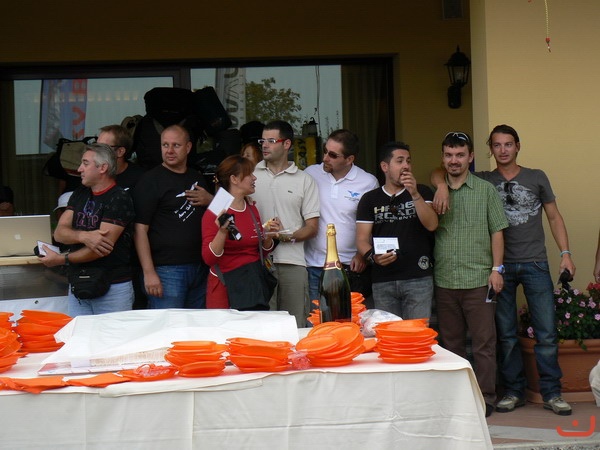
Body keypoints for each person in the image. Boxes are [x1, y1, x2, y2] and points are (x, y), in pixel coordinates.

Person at [432, 124, 576, 416]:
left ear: (517, 146)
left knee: (546, 332)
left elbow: (554, 217)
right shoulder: (483, 179)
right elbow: (440, 171)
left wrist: (565, 253)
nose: (503, 150)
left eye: (508, 144)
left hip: (534, 262)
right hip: (500, 268)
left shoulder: (536, 177)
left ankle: (552, 393)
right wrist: (442, 185)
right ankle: (513, 391)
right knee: (506, 335)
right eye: (497, 145)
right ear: (489, 150)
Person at [432, 131, 508, 418]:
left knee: (484, 344)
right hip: (445, 280)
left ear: (471, 157)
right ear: (443, 158)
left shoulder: (485, 190)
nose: (454, 160)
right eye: (449, 155)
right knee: (451, 345)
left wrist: (496, 269)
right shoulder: (435, 191)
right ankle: (459, 398)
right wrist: (440, 185)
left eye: (460, 155)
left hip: (479, 280)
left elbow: (497, 231)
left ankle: (486, 397)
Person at [38, 143, 136, 316]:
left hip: (112, 287)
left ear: (103, 168)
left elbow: (100, 249)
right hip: (79, 283)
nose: (79, 169)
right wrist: (84, 236)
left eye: (85, 163)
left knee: (113, 334)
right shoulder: (80, 193)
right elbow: (59, 233)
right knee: (79, 333)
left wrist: (62, 259)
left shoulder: (119, 197)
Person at [133, 124, 213, 309]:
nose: (169, 150)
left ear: (188, 147)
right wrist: (149, 272)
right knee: (169, 324)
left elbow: (225, 213)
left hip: (200, 267)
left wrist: (210, 199)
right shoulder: (150, 180)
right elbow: (139, 230)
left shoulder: (197, 177)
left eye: (176, 145)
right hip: (166, 270)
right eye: (165, 145)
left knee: (196, 325)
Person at [355, 141, 437, 319]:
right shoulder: (370, 199)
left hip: (418, 277)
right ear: (385, 166)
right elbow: (361, 239)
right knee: (388, 333)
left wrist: (414, 194)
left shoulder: (422, 191)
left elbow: (432, 225)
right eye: (400, 161)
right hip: (383, 280)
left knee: (416, 332)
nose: (406, 166)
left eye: (408, 161)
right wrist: (373, 257)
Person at [252, 120, 320, 327]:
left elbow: (312, 227)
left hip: (293, 262)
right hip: (257, 262)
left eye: (271, 141)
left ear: (287, 144)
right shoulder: (250, 176)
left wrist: (284, 237)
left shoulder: (304, 180)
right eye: (262, 141)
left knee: (295, 326)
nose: (265, 145)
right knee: (262, 327)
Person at [304, 130, 378, 303]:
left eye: (333, 155)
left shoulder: (368, 181)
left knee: (350, 317)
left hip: (350, 267)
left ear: (349, 159)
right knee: (317, 318)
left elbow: (374, 223)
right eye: (325, 151)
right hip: (315, 265)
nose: (325, 158)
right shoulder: (310, 174)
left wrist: (362, 255)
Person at [201, 155, 280, 309]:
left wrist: (268, 236)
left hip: (253, 287)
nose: (254, 178)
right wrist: (222, 232)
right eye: (249, 174)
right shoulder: (216, 211)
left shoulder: (251, 208)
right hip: (226, 288)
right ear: (234, 179)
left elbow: (260, 252)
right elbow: (209, 258)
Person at [97, 124, 145, 190]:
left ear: (120, 151)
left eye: (104, 147)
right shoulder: (92, 173)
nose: (96, 151)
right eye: (96, 146)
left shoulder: (141, 178)